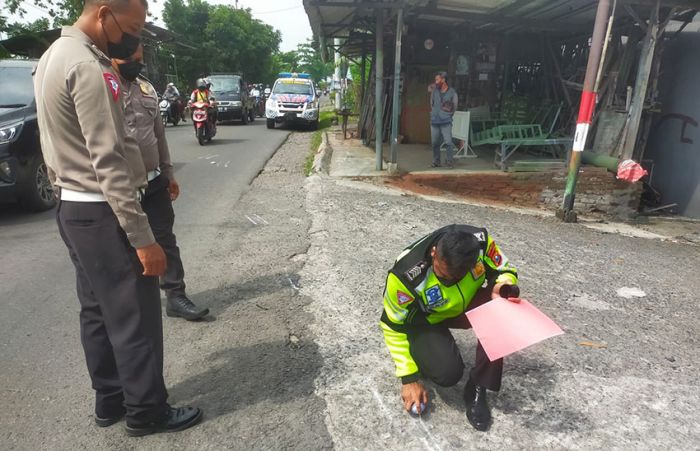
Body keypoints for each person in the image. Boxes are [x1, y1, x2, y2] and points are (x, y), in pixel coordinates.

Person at [33, 0, 202, 436]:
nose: (135, 34)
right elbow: (108, 160)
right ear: (105, 13)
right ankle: (146, 411)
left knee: (95, 309)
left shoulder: (53, 55)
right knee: (135, 315)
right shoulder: (91, 67)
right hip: (104, 210)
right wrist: (142, 236)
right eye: (134, 24)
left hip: (73, 206)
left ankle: (110, 401)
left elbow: (52, 144)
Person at [380, 224, 520, 431]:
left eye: (458, 277)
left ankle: (478, 386)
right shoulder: (406, 275)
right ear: (434, 253)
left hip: (464, 307)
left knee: (504, 305)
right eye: (443, 275)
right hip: (427, 319)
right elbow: (392, 325)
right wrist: (409, 377)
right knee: (448, 374)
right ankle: (422, 349)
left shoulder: (480, 242)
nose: (450, 280)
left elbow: (504, 269)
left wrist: (503, 285)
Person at [114, 45, 209, 321]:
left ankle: (176, 295)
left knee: (165, 240)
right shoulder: (102, 86)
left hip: (154, 181)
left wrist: (168, 174)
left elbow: (159, 137)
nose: (136, 62)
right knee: (126, 247)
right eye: (130, 56)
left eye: (140, 58)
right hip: (122, 187)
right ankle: (133, 304)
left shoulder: (146, 89)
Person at [428, 72, 458, 168]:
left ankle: (449, 162)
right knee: (435, 142)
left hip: (446, 121)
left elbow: (455, 106)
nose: (436, 82)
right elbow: (431, 103)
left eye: (437, 80)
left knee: (448, 142)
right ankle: (436, 161)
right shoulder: (434, 91)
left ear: (443, 80)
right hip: (434, 120)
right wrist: (434, 113)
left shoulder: (452, 92)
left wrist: (448, 115)